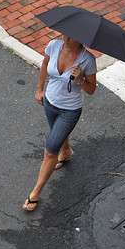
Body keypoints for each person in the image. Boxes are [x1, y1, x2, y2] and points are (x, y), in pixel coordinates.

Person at [23, 35, 97, 211]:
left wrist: (80, 79)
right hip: (49, 102)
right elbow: (44, 65)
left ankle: (36, 192)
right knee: (58, 134)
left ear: (81, 39)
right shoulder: (54, 46)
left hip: (69, 111)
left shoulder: (87, 60)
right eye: (65, 34)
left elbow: (91, 90)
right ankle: (66, 151)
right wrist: (39, 89)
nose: (66, 38)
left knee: (50, 150)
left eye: (72, 36)